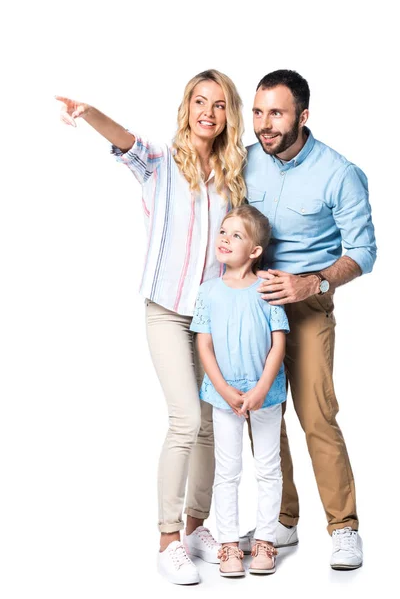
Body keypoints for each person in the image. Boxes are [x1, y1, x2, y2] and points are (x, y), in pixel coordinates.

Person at [56, 69, 247, 585]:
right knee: (185, 419)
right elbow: (123, 139)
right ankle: (167, 540)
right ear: (187, 107)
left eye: (220, 104)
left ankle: (196, 527)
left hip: (211, 317)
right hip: (166, 311)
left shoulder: (234, 175)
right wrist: (88, 111)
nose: (208, 112)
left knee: (209, 424)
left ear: (230, 114)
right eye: (199, 101)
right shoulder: (161, 161)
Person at [238, 69, 377, 570]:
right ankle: (283, 519)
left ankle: (344, 527)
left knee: (317, 415)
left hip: (307, 305)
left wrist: (311, 282)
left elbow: (364, 252)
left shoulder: (340, 173)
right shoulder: (248, 160)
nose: (264, 124)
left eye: (276, 112)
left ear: (303, 115)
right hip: (254, 306)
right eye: (258, 112)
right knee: (262, 417)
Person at [190, 205, 289, 577]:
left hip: (267, 394)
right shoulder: (208, 291)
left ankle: (265, 539)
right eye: (223, 232)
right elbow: (204, 346)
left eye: (236, 235)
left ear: (255, 251)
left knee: (268, 468)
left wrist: (263, 387)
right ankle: (229, 542)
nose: (225, 239)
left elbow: (278, 342)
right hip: (224, 397)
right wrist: (223, 389)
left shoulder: (268, 287)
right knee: (227, 471)